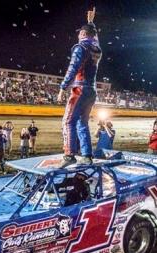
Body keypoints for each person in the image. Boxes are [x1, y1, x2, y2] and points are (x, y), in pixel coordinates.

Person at [58, 8, 102, 168]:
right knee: (82, 123)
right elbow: (94, 39)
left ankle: (69, 155)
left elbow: (73, 67)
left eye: (80, 33)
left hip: (80, 89)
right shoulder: (96, 49)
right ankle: (87, 155)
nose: (78, 35)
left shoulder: (80, 48)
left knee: (68, 121)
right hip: (92, 90)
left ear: (83, 34)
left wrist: (63, 87)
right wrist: (91, 23)